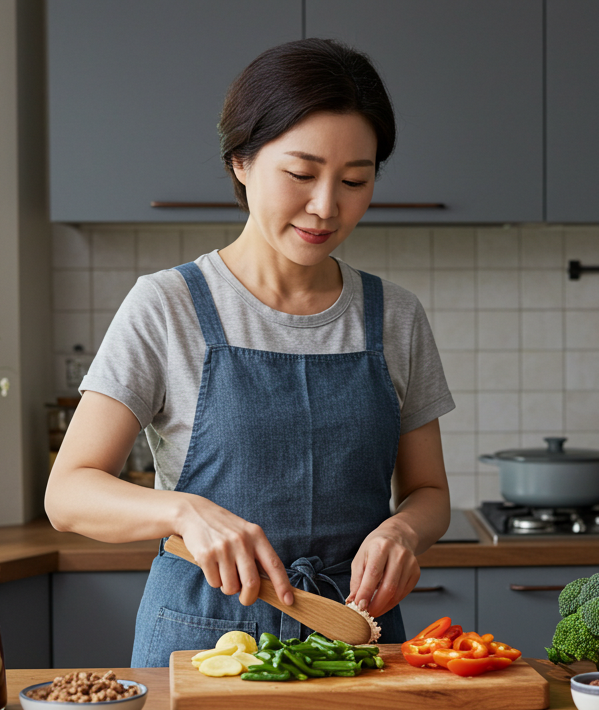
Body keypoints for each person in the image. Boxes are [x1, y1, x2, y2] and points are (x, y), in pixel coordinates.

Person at [44, 39, 454, 667]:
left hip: (354, 636)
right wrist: (185, 511)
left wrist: (405, 530)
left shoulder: (394, 316)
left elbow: (428, 492)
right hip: (201, 637)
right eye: (300, 174)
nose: (326, 206)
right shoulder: (166, 305)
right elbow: (67, 494)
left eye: (355, 181)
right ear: (240, 160)